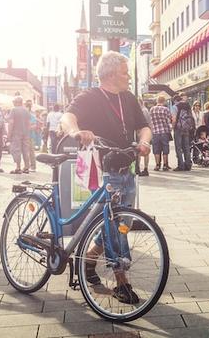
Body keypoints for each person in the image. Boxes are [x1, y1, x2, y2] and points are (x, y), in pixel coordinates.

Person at [61, 51, 152, 305]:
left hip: (127, 168)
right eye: (125, 72)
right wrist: (77, 131)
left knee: (119, 223)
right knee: (114, 223)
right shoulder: (90, 97)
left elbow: (143, 126)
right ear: (111, 74)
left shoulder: (128, 98)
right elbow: (67, 117)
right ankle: (122, 281)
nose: (129, 77)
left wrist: (144, 141)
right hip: (101, 170)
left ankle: (88, 262)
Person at [7, 96, 31, 174]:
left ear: (17, 102)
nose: (13, 103)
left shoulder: (14, 110)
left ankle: (18, 167)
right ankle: (26, 167)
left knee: (16, 150)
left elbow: (11, 123)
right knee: (25, 150)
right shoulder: (26, 110)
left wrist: (9, 134)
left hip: (16, 133)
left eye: (14, 102)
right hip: (26, 133)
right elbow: (28, 123)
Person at [149, 94, 173, 171]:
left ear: (157, 101)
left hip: (155, 132)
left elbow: (150, 120)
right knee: (165, 148)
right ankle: (165, 165)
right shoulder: (166, 109)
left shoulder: (152, 109)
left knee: (156, 149)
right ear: (164, 101)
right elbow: (170, 119)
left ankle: (157, 165)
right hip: (164, 131)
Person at [172, 94, 195, 171]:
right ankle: (188, 165)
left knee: (178, 148)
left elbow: (174, 119)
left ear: (175, 100)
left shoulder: (175, 106)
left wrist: (173, 127)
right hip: (186, 128)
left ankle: (180, 166)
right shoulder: (188, 105)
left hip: (178, 128)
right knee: (186, 147)